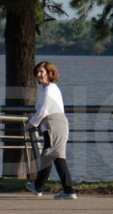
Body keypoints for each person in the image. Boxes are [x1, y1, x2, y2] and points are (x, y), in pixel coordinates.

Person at [24, 61, 76, 200]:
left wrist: (29, 124)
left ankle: (41, 187)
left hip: (53, 125)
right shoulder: (50, 89)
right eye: (38, 72)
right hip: (55, 125)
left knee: (49, 156)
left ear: (49, 74)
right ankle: (66, 190)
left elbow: (44, 110)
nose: (39, 75)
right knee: (57, 158)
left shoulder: (50, 89)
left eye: (42, 72)